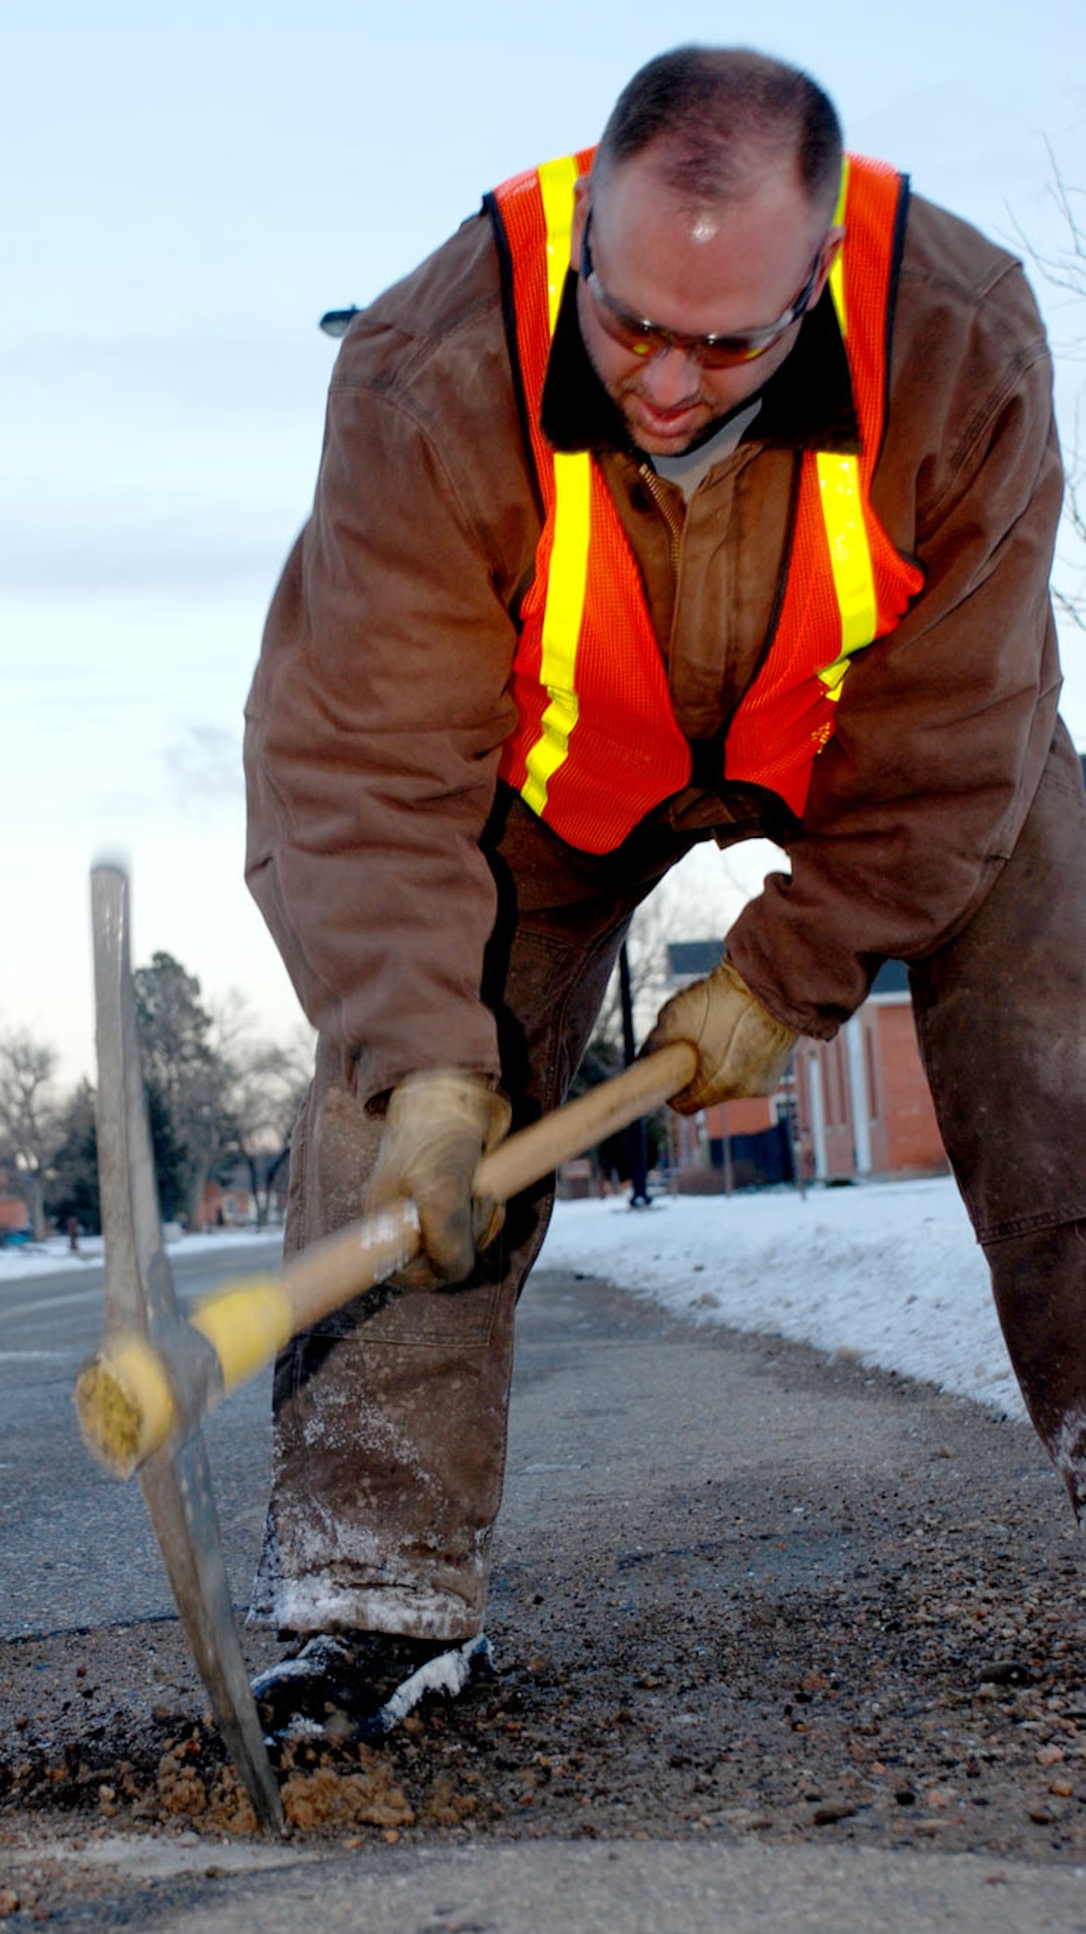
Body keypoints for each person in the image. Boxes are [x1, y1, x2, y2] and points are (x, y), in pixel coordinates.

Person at [242, 46, 1085, 1740]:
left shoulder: (961, 338)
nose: (668, 384)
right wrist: (425, 1058)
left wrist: (786, 975)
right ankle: (373, 1604)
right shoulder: (432, 368)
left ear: (822, 273)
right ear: (584, 250)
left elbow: (951, 735)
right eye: (628, 327)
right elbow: (361, 762)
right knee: (395, 1109)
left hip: (862, 752)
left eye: (727, 343)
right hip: (548, 784)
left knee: (1062, 983)